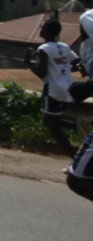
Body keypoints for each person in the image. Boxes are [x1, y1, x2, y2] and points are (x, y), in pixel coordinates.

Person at [25, 19, 84, 155]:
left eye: (42, 28)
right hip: (67, 89)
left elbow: (42, 73)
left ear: (47, 32)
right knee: (53, 121)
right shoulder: (64, 47)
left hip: (52, 91)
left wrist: (28, 61)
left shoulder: (43, 49)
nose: (40, 30)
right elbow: (78, 63)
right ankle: (77, 126)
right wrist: (64, 69)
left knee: (50, 124)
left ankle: (74, 156)